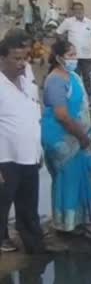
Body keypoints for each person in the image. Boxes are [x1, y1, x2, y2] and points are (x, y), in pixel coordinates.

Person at [41, 40, 91, 236]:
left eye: (75, 55)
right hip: (63, 138)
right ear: (59, 57)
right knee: (68, 178)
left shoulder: (73, 76)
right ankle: (66, 222)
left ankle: (83, 218)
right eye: (70, 55)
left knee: (83, 176)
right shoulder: (55, 80)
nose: (74, 59)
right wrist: (81, 136)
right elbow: (62, 115)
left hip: (79, 136)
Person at [0, 30, 47, 254]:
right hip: (5, 158)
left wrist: (39, 150)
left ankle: (33, 241)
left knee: (29, 203)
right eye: (16, 59)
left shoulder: (27, 75)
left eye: (24, 58)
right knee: (3, 201)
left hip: (30, 153)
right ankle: (2, 238)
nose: (22, 63)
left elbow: (33, 109)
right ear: (2, 58)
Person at [57, 2, 91, 101]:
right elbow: (58, 32)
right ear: (73, 11)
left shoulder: (90, 22)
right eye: (76, 9)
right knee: (74, 77)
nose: (78, 11)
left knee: (87, 76)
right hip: (73, 57)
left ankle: (89, 97)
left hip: (87, 56)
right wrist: (64, 47)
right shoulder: (68, 22)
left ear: (83, 10)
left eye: (80, 9)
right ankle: (74, 97)